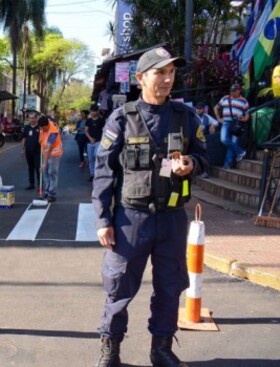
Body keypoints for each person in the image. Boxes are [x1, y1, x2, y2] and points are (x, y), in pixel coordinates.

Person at [92, 47, 208, 367]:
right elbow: (104, 171)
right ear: (141, 78)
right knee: (118, 287)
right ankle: (110, 350)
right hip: (131, 218)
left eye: (171, 72)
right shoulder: (122, 117)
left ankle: (161, 349)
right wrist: (103, 219)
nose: (168, 79)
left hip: (171, 218)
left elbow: (205, 157)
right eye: (160, 72)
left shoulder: (186, 117)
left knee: (170, 287)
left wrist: (191, 162)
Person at [214, 83, 249, 169]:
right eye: (231, 91)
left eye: (234, 91)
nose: (232, 92)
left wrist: (245, 119)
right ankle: (241, 152)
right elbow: (216, 107)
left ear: (239, 90)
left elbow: (247, 113)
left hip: (237, 123)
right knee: (224, 139)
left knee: (232, 143)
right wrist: (218, 118)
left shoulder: (244, 101)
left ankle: (227, 164)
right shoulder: (225, 98)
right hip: (226, 122)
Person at [38, 115, 63, 202]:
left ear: (47, 125)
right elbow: (42, 139)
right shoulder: (43, 126)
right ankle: (47, 191)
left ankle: (51, 194)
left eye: (43, 128)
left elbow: (49, 149)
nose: (41, 130)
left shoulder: (53, 132)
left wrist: (44, 163)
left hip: (54, 154)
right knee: (45, 173)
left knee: (52, 173)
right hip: (46, 153)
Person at [21, 111, 41, 190]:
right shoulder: (26, 128)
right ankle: (31, 184)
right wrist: (22, 149)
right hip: (28, 151)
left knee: (37, 168)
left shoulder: (40, 128)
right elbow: (24, 138)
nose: (31, 120)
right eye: (30, 118)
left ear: (36, 118)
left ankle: (40, 185)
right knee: (30, 167)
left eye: (33, 118)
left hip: (37, 152)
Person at [86, 105, 105, 181]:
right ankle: (92, 174)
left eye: (94, 111)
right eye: (92, 111)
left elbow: (104, 131)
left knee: (96, 155)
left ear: (97, 111)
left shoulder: (101, 120)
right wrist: (90, 138)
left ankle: (97, 173)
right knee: (90, 159)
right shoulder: (88, 120)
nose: (93, 112)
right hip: (90, 142)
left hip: (98, 141)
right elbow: (86, 130)